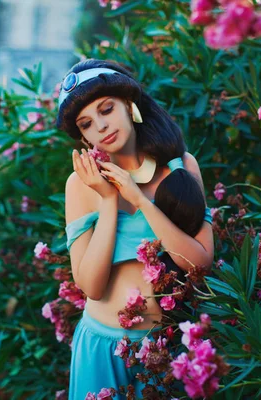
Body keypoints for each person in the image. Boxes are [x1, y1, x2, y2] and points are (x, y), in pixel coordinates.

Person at [57, 59, 215, 399]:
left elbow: (200, 264)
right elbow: (92, 287)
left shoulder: (181, 168)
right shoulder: (81, 185)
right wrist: (109, 199)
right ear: (83, 137)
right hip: (101, 350)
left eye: (106, 109)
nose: (101, 126)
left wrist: (142, 201)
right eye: (87, 123)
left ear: (130, 105)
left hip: (165, 349)